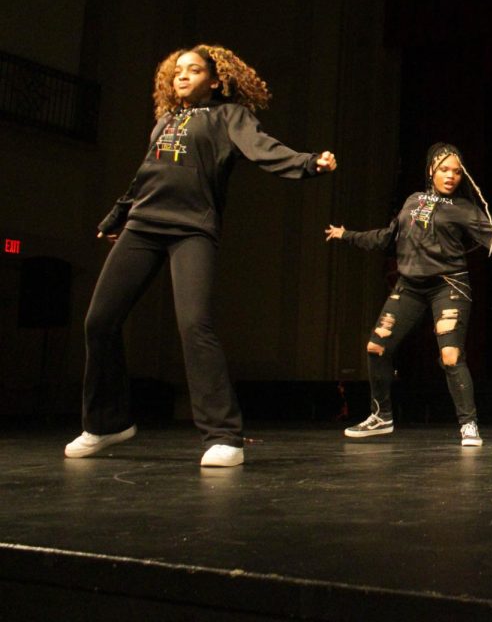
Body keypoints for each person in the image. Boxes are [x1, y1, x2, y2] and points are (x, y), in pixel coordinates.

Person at [66, 45, 338, 467]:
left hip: (192, 227)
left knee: (194, 324)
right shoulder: (165, 121)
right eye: (177, 71)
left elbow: (263, 148)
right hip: (143, 225)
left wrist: (309, 163)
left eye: (194, 70)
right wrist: (117, 214)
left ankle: (224, 435)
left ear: (214, 79)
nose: (182, 76)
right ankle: (106, 424)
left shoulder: (229, 116)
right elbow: (145, 176)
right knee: (99, 321)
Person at [326, 143, 492, 446]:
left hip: (449, 286)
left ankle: (469, 424)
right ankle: (381, 417)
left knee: (450, 356)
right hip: (409, 287)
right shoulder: (413, 201)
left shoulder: (464, 210)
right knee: (376, 348)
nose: (451, 176)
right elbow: (387, 237)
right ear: (431, 169)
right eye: (445, 169)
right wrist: (348, 235)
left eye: (457, 172)